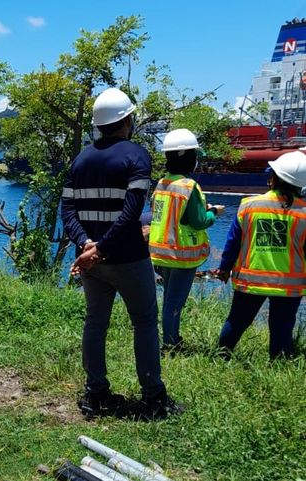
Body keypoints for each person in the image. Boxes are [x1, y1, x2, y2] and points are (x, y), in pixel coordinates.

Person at [62, 87, 180, 420]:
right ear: (127, 119)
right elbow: (132, 210)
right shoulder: (136, 155)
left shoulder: (81, 158)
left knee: (95, 323)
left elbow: (67, 208)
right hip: (127, 257)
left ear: (99, 124)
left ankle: (96, 394)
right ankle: (154, 398)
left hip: (91, 262)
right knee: (144, 322)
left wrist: (87, 244)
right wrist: (102, 247)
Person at [213, 150, 306, 359]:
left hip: (250, 280)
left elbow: (232, 243)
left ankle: (220, 357)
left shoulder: (248, 206)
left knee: (236, 322)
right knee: (282, 329)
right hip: (289, 285)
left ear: (273, 178)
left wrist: (225, 268)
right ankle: (279, 364)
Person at [148, 129, 224, 351]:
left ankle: (169, 339)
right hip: (181, 254)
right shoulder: (190, 187)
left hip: (160, 252)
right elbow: (199, 221)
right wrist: (214, 213)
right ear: (188, 157)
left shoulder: (161, 183)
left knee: (169, 299)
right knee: (175, 302)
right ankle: (170, 343)